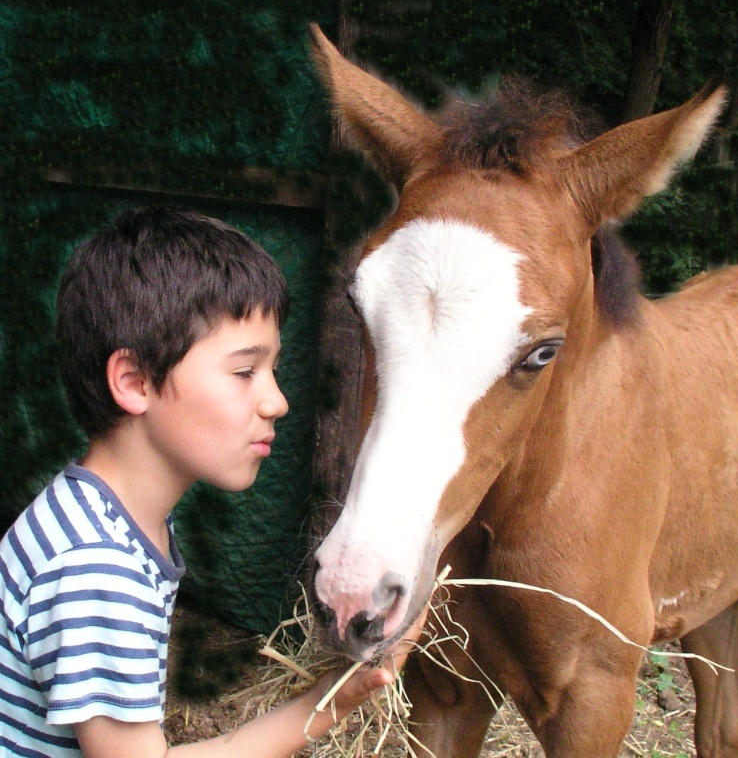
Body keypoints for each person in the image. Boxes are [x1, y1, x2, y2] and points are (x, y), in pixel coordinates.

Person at [0, 205, 423, 758]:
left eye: (271, 371)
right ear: (134, 381)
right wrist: (326, 707)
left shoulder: (98, 513)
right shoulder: (97, 569)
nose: (277, 401)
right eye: (245, 372)